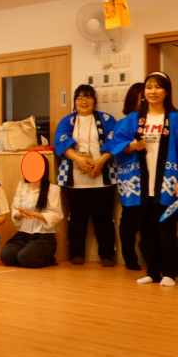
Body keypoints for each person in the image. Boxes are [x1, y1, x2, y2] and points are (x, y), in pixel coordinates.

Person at [105, 72, 178, 286]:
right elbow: (115, 142)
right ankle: (153, 272)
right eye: (149, 87)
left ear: (166, 91)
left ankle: (169, 273)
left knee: (166, 230)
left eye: (157, 87)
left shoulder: (174, 118)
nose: (152, 91)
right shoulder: (133, 119)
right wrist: (131, 146)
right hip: (140, 185)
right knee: (146, 231)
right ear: (144, 92)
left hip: (168, 183)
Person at [54, 85, 117, 266]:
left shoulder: (106, 119)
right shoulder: (67, 121)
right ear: (74, 101)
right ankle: (76, 254)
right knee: (77, 218)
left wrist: (101, 161)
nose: (84, 101)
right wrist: (78, 160)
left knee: (104, 217)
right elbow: (60, 142)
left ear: (94, 101)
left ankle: (107, 255)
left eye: (88, 97)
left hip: (101, 175)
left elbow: (115, 140)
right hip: (75, 177)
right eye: (80, 98)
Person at [1, 156, 63, 268]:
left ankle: (45, 257)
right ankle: (24, 254)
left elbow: (56, 215)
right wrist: (21, 213)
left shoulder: (52, 189)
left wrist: (33, 214)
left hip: (43, 236)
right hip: (23, 234)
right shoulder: (21, 187)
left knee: (25, 258)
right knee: (6, 255)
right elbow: (15, 210)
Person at [118, 82, 145, 270]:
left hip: (154, 181)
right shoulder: (125, 122)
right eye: (142, 95)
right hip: (130, 179)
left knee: (151, 225)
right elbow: (116, 149)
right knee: (129, 223)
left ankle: (154, 261)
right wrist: (131, 146)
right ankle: (130, 259)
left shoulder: (164, 120)